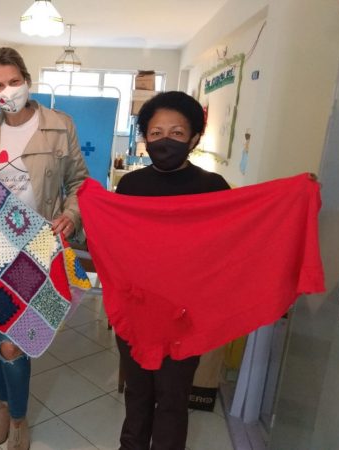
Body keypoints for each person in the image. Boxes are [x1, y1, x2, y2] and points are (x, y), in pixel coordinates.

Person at [0, 47, 89, 450]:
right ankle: (4, 407)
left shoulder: (59, 126)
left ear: (27, 80)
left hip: (40, 246)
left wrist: (72, 215)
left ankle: (16, 416)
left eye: (13, 81)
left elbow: (80, 182)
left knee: (17, 338)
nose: (7, 91)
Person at [114, 91, 231, 450]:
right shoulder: (130, 185)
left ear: (194, 137)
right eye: (156, 132)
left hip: (185, 315)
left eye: (177, 133)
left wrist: (295, 195)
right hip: (137, 310)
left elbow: (231, 247)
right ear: (145, 138)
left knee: (173, 397)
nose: (165, 140)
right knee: (137, 393)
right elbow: (115, 245)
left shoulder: (213, 188)